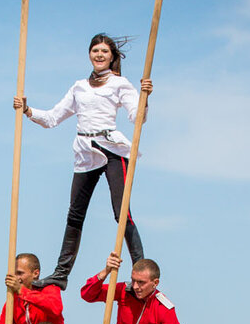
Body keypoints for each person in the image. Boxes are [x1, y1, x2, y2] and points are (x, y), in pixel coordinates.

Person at [15, 33, 153, 290]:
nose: (99, 55)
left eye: (104, 52)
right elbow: (53, 118)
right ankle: (61, 273)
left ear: (112, 57)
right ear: (89, 54)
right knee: (75, 214)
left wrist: (144, 100)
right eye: (95, 50)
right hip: (85, 152)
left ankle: (141, 269)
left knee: (121, 212)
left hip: (111, 149)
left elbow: (137, 118)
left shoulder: (120, 84)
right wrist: (27, 110)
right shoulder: (79, 86)